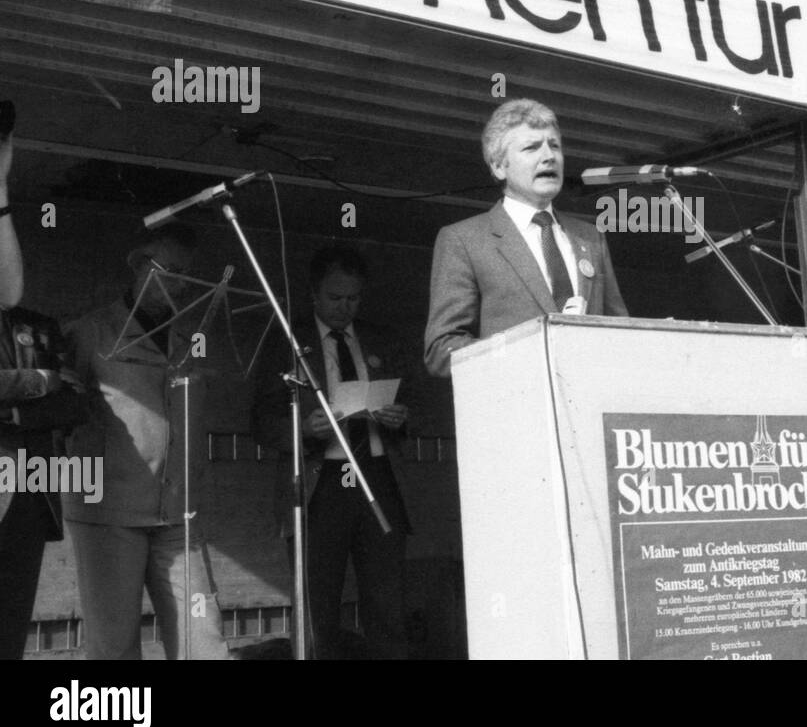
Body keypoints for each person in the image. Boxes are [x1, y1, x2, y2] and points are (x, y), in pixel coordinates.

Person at [63, 222, 229, 659]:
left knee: (205, 640)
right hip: (109, 514)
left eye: (186, 274)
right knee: (114, 646)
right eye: (168, 270)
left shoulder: (188, 337)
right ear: (138, 267)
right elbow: (59, 416)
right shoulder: (91, 332)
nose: (179, 283)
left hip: (178, 516)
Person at [253, 244, 413, 660]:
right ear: (314, 295)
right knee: (316, 601)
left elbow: (412, 403)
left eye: (354, 298)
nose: (345, 307)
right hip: (319, 482)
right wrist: (303, 427)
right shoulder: (288, 342)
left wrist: (399, 418)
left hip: (376, 473)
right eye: (335, 298)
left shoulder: (380, 339)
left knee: (387, 597)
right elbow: (260, 419)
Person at [424, 98, 627, 378]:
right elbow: (441, 349)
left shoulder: (590, 237)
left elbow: (620, 330)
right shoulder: (464, 240)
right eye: (532, 147)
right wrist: (526, 353)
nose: (549, 156)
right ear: (498, 166)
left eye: (554, 145)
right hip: (515, 407)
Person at [0, 132, 84, 660]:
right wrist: (33, 391)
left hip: (25, 502)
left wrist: (17, 403)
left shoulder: (36, 327)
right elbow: (49, 394)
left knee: (9, 634)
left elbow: (74, 403)